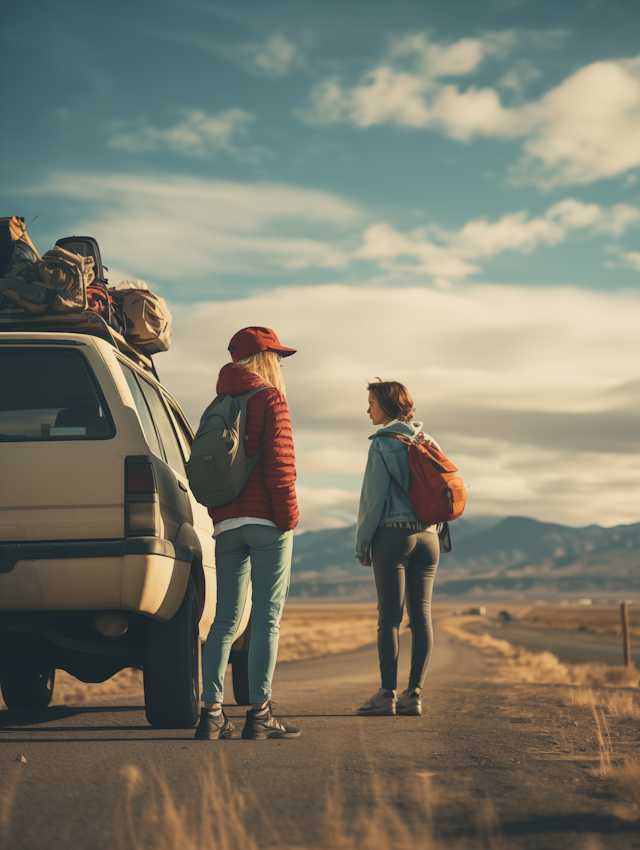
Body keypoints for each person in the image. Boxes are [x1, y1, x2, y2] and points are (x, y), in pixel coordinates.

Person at [194, 326, 302, 741]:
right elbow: (280, 465)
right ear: (263, 360)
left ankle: (212, 714)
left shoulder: (216, 404)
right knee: (266, 620)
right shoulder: (271, 399)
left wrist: (222, 515)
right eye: (275, 356)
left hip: (227, 525)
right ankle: (259, 715)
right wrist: (288, 518)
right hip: (266, 522)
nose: (277, 364)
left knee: (224, 621)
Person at [355, 378, 444, 718]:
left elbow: (372, 501)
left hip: (393, 536)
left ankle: (386, 695)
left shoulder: (381, 444)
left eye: (372, 403)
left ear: (388, 406)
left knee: (390, 618)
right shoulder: (428, 440)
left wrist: (363, 545)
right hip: (429, 539)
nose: (368, 409)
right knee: (422, 618)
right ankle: (415, 694)